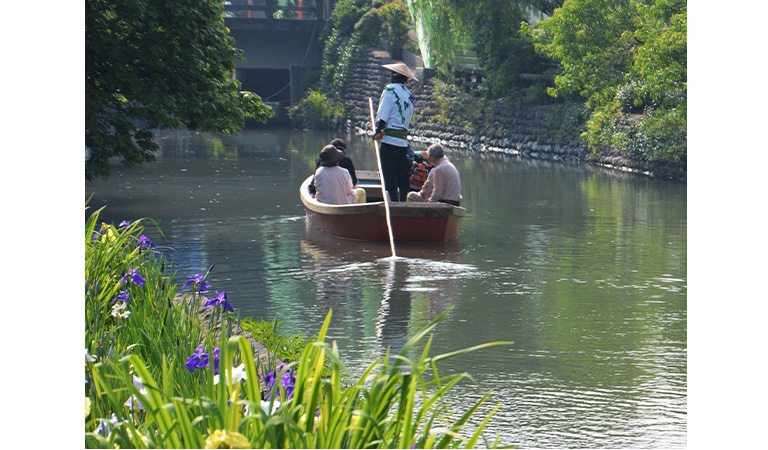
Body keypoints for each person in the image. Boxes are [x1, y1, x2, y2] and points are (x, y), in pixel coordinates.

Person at [373, 62, 418, 201]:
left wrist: (378, 130)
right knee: (403, 175)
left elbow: (383, 114)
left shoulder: (390, 89)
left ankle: (394, 201)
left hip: (390, 141)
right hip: (403, 141)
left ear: (393, 76)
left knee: (389, 174)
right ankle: (403, 201)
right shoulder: (409, 94)